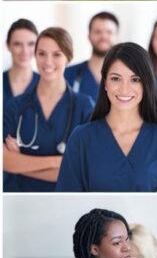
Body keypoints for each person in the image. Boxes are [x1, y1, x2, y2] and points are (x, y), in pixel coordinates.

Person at [55, 43, 157, 192]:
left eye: (135, 79)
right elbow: (67, 200)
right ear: (105, 83)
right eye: (115, 79)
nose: (124, 89)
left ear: (146, 84)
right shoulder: (82, 138)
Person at [3, 28, 94, 192]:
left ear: (68, 57)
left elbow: (84, 170)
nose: (48, 61)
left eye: (57, 54)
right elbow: (5, 161)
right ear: (35, 56)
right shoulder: (16, 106)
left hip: (63, 197)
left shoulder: (84, 107)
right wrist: (58, 161)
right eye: (42, 54)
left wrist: (21, 162)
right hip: (18, 196)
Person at [65, 12, 120, 102]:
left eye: (109, 32)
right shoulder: (68, 74)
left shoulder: (130, 76)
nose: (103, 36)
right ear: (89, 36)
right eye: (98, 32)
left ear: (117, 37)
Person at [4, 19, 39, 101]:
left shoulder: (46, 85)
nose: (25, 51)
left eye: (31, 44)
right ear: (8, 45)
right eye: (17, 44)